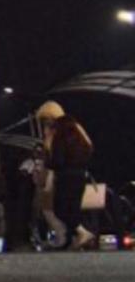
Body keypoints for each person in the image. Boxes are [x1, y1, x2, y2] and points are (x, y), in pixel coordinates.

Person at [40, 100, 95, 249]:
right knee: (73, 207)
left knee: (61, 209)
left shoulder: (58, 131)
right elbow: (89, 147)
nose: (45, 122)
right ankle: (75, 238)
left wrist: (48, 163)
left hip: (65, 175)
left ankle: (81, 233)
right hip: (80, 173)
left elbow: (57, 158)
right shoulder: (76, 127)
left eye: (46, 119)